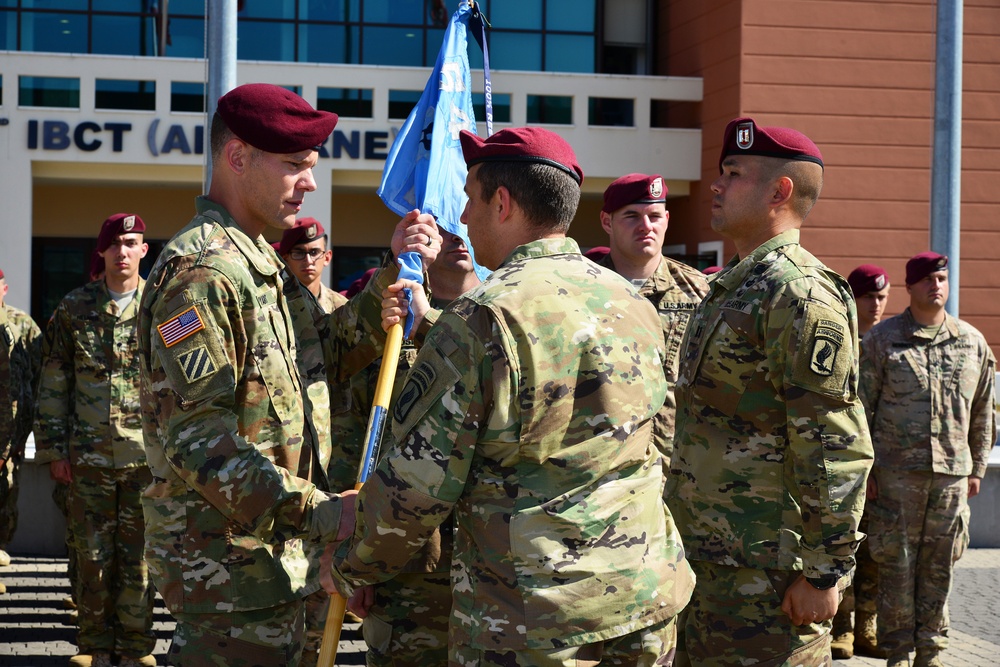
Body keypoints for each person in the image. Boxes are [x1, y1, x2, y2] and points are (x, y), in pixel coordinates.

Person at [327, 126, 695, 667]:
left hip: (537, 617)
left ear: (502, 203)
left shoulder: (484, 317)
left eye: (471, 201)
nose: (466, 220)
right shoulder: (633, 300)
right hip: (644, 598)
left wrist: (348, 564)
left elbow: (419, 483)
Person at [136, 82, 440, 667]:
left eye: (312, 166)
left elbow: (321, 351)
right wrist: (324, 514)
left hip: (277, 568)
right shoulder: (201, 274)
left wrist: (387, 278)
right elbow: (201, 441)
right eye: (295, 165)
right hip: (228, 582)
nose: (310, 182)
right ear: (238, 157)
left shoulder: (256, 261)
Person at [665, 117, 874, 665]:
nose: (716, 185)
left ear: (779, 191)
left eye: (732, 174)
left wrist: (824, 570)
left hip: (770, 580)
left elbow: (832, 442)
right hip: (710, 562)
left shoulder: (798, 293)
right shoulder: (734, 285)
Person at [338, 231, 482, 667]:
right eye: (443, 229)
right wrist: (353, 548)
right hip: (407, 558)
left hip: (491, 556)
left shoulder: (505, 312)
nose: (459, 238)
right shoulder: (391, 323)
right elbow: (355, 439)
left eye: (465, 223)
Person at [859, 252, 995, 667]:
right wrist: (866, 472)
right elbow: (862, 409)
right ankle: (898, 652)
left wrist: (977, 468)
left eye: (942, 278)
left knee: (941, 568)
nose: (936, 286)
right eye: (927, 279)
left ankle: (932, 651)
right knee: (895, 566)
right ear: (910, 287)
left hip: (951, 479)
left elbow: (984, 410)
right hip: (894, 477)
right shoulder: (883, 340)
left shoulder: (971, 342)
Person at [34, 213, 157, 667]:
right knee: (92, 557)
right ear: (101, 252)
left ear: (144, 249)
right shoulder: (74, 308)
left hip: (145, 459)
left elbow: (178, 385)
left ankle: (135, 647)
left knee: (140, 559)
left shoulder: (161, 307)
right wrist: (52, 449)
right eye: (114, 244)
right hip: (87, 459)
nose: (122, 251)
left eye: (131, 243)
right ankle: (93, 646)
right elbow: (53, 380)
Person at [595, 173, 708, 463]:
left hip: (678, 465)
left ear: (667, 219)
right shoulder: (582, 287)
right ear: (607, 222)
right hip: (605, 464)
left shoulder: (700, 292)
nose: (646, 226)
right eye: (631, 216)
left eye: (654, 216)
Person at [831, 263, 893, 659]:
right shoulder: (839, 342)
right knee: (842, 547)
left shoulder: (891, 344)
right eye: (867, 296)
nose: (875, 305)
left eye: (881, 297)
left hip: (883, 471)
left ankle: (867, 625)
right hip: (842, 467)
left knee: (873, 553)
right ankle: (840, 628)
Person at [0, 268, 42, 593]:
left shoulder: (21, 323)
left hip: (12, 433)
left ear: (5, 287)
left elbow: (40, 371)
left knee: (6, 496)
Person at [277, 216, 348, 314]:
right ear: (285, 260)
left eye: (314, 252)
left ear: (327, 258)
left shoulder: (341, 307)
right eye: (299, 253)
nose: (308, 260)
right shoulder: (274, 303)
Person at [850, 264, 891, 336]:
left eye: (881, 297)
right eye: (868, 297)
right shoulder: (842, 339)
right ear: (852, 299)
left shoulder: (898, 337)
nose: (876, 303)